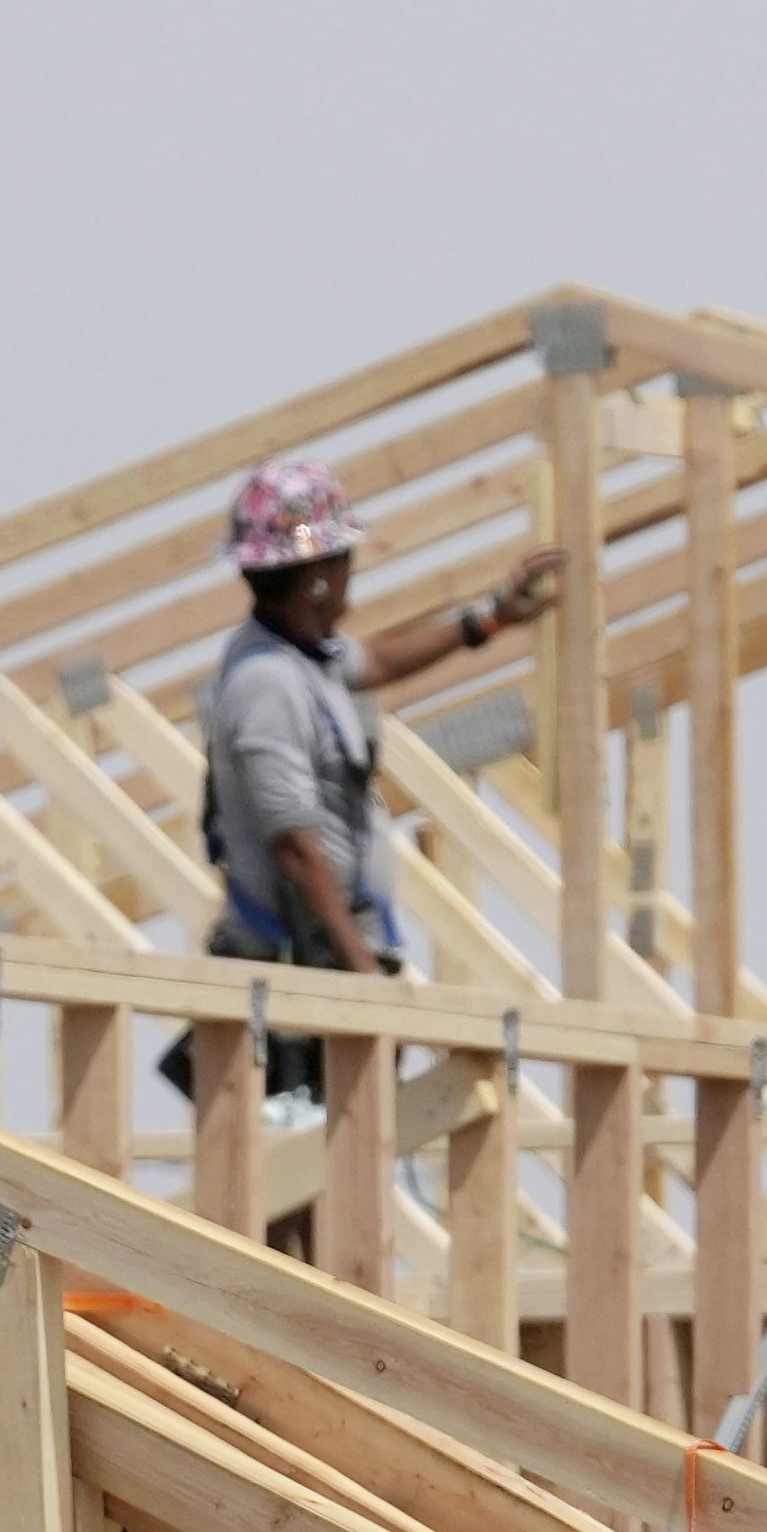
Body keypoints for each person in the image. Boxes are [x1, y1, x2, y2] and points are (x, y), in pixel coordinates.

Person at [174, 460, 558, 1117]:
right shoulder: (268, 684)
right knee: (302, 1186)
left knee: (324, 1179)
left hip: (322, 968)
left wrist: (487, 621)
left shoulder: (300, 657)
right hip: (301, 974)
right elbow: (292, 842)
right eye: (344, 559)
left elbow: (375, 660)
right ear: (317, 575)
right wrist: (363, 975)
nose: (353, 574)